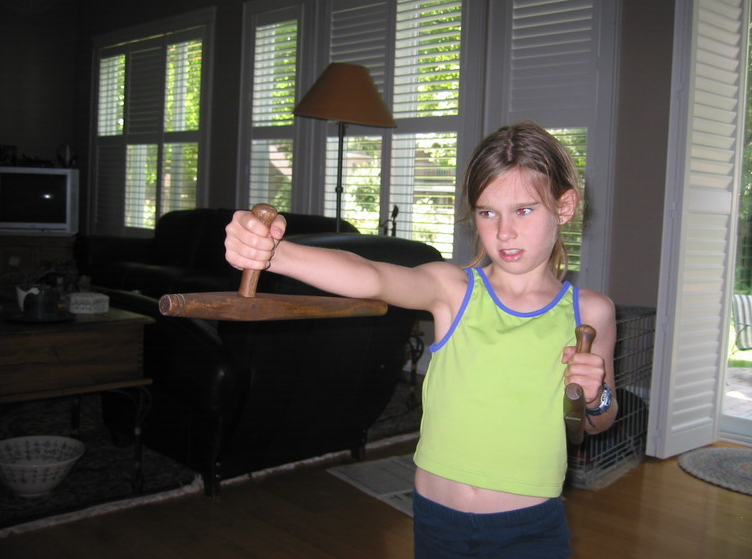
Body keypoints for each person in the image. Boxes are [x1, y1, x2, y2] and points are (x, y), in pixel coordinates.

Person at [224, 120, 617, 558]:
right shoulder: (454, 290)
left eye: (524, 210)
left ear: (564, 207)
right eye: (488, 213)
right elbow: (371, 275)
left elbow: (596, 422)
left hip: (529, 529)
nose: (504, 232)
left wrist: (596, 396)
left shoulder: (590, 313)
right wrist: (275, 253)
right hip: (437, 522)